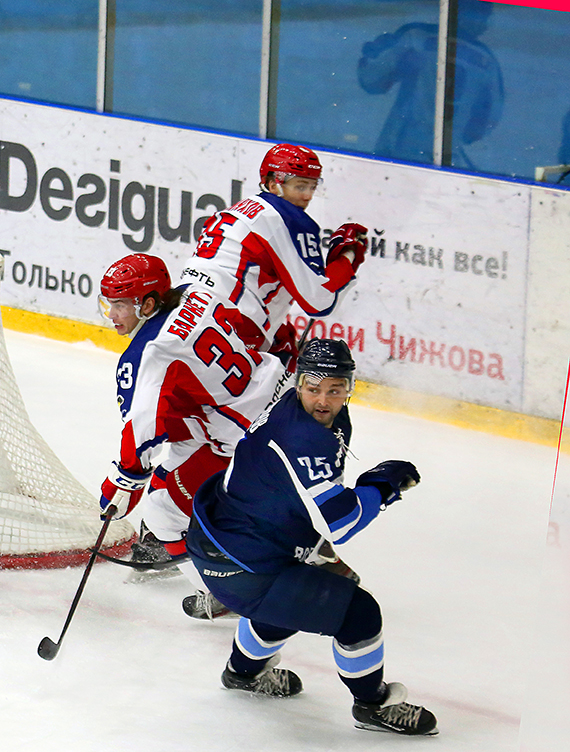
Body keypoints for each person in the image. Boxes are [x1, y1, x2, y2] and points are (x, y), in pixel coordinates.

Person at [185, 339, 437, 736]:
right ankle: (373, 706)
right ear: (299, 383)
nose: (324, 400)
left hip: (232, 539)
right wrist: (382, 485)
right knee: (359, 612)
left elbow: (298, 495)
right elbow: (344, 521)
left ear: (349, 388)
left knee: (292, 603)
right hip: (242, 562)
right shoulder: (304, 440)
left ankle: (242, 674)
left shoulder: (303, 412)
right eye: (314, 387)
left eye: (335, 389)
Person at [96, 253, 295, 619]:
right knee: (176, 459)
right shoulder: (197, 293)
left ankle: (223, 592)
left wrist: (121, 483)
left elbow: (142, 429)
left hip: (249, 436)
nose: (112, 314)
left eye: (122, 304)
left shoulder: (149, 353)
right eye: (109, 303)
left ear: (149, 303)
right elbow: (249, 331)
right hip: (285, 395)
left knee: (160, 511)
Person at [178, 143, 367, 351]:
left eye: (312, 187)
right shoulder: (289, 218)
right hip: (231, 323)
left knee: (282, 343)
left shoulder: (238, 210)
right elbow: (320, 302)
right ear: (272, 183)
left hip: (183, 310)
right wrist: (348, 255)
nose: (308, 196)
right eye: (300, 186)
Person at [358, 3, 502, 166]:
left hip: (396, 149)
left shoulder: (415, 37)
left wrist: (372, 55)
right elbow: (485, 121)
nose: (484, 24)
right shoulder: (487, 62)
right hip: (446, 158)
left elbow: (371, 78)